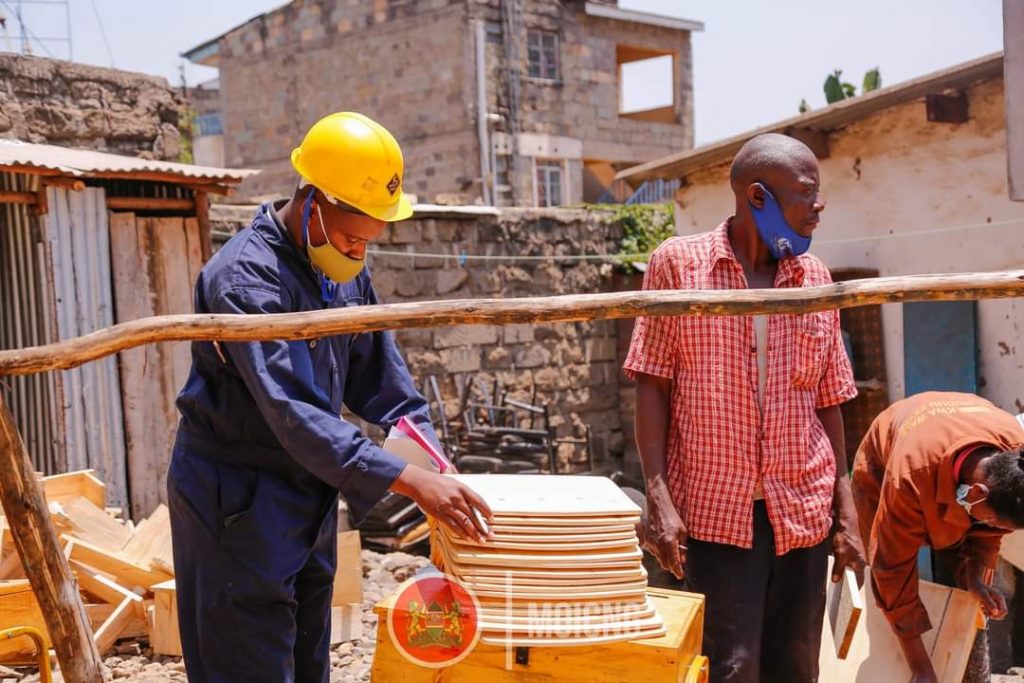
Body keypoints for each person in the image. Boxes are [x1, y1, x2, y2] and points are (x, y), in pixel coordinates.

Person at [168, 112, 492, 683]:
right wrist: (410, 482)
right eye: (349, 235)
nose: (357, 250)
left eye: (369, 240)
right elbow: (292, 412)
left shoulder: (341, 269)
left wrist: (431, 457)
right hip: (237, 498)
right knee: (247, 657)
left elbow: (383, 381)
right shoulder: (246, 280)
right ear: (313, 201)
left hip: (308, 490)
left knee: (308, 654)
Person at [624, 133, 865, 683]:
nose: (818, 206)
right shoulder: (678, 267)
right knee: (732, 667)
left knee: (797, 668)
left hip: (801, 510)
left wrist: (844, 507)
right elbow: (651, 383)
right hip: (715, 512)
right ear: (758, 197)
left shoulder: (815, 279)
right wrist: (657, 497)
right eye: (807, 194)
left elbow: (830, 399)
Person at [852, 391, 1024, 683]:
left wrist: (976, 577)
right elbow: (892, 572)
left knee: (962, 580)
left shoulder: (1015, 456)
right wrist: (920, 668)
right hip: (883, 469)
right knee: (883, 589)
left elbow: (990, 532)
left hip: (951, 456)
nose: (995, 528)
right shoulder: (908, 477)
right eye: (993, 521)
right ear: (976, 493)